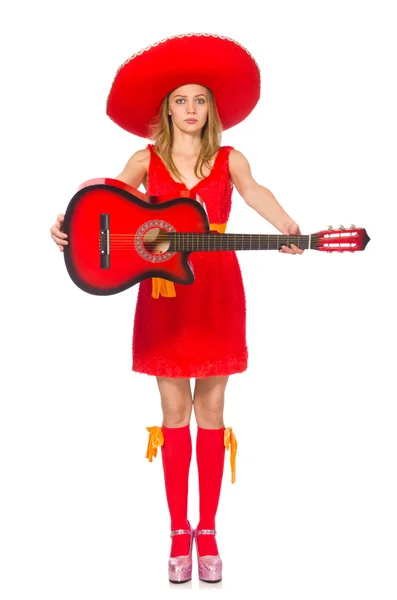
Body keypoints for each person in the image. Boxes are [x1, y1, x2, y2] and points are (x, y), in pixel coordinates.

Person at [50, 33, 304, 584]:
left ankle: (207, 530)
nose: (191, 109)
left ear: (212, 108)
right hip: (164, 293)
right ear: (166, 107)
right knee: (174, 415)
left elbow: (256, 192)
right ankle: (176, 530)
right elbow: (104, 205)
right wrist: (67, 226)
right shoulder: (145, 158)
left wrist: (286, 225)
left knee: (212, 413)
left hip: (216, 291)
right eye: (181, 100)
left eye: (201, 100)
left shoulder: (230, 158)